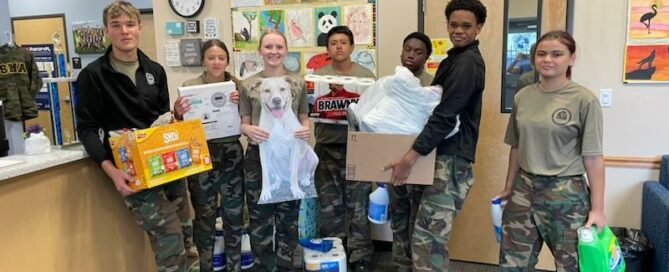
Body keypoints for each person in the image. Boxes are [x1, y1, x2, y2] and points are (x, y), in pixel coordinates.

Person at [75, 1, 189, 271]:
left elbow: (160, 121)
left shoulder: (155, 71)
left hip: (166, 166)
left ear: (139, 28)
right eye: (116, 25)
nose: (124, 31)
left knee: (186, 232)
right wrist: (112, 171)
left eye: (129, 24)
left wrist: (175, 116)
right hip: (130, 171)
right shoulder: (93, 76)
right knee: (170, 236)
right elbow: (87, 129)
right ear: (107, 31)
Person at [384, 0, 487, 271]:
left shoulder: (467, 63)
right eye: (453, 25)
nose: (459, 31)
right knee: (424, 236)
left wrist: (409, 157)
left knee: (428, 242)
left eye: (466, 26)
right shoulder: (454, 59)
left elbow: (444, 116)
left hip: (451, 160)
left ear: (479, 27)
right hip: (438, 155)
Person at [496, 30, 606, 271]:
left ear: (571, 59)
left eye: (557, 54)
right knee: (513, 262)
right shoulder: (523, 96)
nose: (548, 59)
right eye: (542, 54)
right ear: (534, 58)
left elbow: (594, 158)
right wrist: (508, 186)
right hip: (524, 190)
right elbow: (516, 146)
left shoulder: (584, 100)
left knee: (572, 265)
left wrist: (597, 209)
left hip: (566, 195)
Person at [239, 29, 311, 271]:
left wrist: (305, 129)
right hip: (258, 159)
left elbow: (304, 117)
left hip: (289, 156)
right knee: (259, 221)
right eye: (268, 47)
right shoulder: (249, 83)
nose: (274, 52)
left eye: (279, 47)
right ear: (260, 50)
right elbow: (244, 121)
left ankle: (287, 266)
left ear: (286, 50)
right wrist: (248, 129)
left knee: (289, 221)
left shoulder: (297, 82)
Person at [173, 39, 245, 272]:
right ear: (203, 60)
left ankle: (234, 266)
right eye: (211, 58)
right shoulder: (189, 86)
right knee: (204, 215)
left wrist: (240, 103)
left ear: (227, 60)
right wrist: (178, 111)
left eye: (221, 58)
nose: (216, 62)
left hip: (231, 154)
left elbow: (248, 117)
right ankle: (206, 266)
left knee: (234, 213)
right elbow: (179, 123)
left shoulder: (237, 85)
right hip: (200, 154)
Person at [313, 25, 376, 272]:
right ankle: (332, 253)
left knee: (358, 205)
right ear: (328, 48)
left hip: (357, 147)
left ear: (351, 46)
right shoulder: (318, 77)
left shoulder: (366, 76)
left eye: (343, 42)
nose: (338, 46)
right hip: (326, 148)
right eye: (333, 42)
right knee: (329, 205)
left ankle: (360, 257)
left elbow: (375, 113)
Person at [388, 31, 434, 272]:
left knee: (419, 220)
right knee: (398, 216)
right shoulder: (390, 83)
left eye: (418, 52)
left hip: (419, 163)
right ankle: (399, 264)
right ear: (401, 51)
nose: (411, 55)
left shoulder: (432, 86)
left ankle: (418, 266)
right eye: (408, 49)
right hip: (393, 162)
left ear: (427, 56)